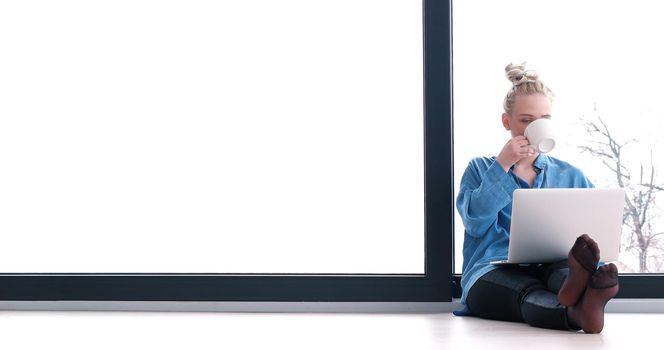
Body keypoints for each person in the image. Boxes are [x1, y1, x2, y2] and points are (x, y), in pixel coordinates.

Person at [453, 63, 619, 333]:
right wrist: (502, 166)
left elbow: (596, 229)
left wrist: (595, 264)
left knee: (564, 273)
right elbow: (475, 224)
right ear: (507, 121)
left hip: (551, 264)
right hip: (490, 272)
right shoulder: (480, 169)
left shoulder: (570, 175)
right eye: (527, 120)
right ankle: (578, 314)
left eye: (543, 119)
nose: (535, 127)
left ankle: (580, 295)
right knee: (526, 293)